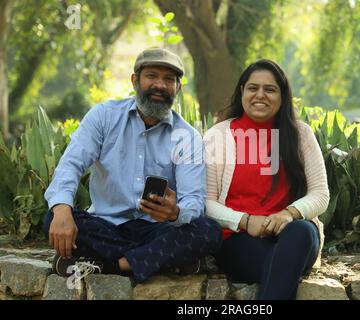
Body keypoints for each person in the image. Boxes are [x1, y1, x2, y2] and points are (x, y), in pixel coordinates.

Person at [43, 48, 222, 283]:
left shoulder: (187, 137)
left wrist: (175, 212)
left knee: (207, 231)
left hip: (157, 228)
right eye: (152, 76)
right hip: (106, 225)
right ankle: (161, 260)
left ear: (178, 88)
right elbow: (71, 164)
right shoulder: (104, 116)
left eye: (169, 79)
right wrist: (63, 209)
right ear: (135, 80)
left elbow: (194, 200)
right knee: (52, 217)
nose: (160, 85)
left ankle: (111, 265)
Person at [203, 59, 329, 299]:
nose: (260, 95)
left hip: (295, 238)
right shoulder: (218, 136)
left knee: (301, 231)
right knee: (282, 268)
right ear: (242, 92)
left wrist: (288, 213)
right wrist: (245, 221)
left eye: (270, 89)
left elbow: (321, 194)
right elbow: (206, 204)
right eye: (253, 88)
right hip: (240, 241)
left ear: (282, 95)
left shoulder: (300, 134)